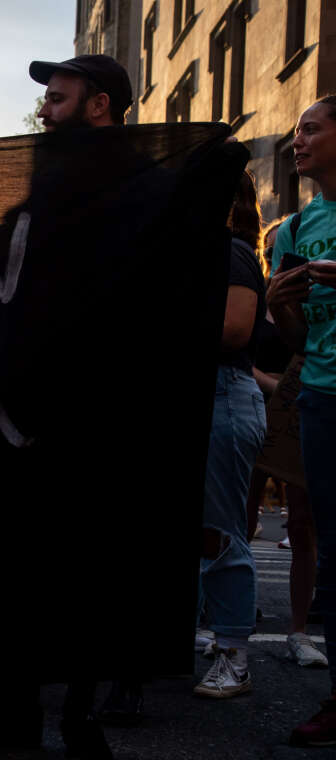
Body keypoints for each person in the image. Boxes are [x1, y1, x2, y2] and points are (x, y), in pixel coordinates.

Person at [0, 54, 135, 759]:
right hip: (22, 406)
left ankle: (81, 717)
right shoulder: (43, 179)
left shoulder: (140, 184)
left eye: (57, 99)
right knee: (18, 559)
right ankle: (17, 711)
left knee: (84, 565)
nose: (45, 110)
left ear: (99, 106)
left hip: (96, 410)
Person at [268, 95, 336, 746]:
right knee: (333, 551)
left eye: (311, 128)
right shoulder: (292, 230)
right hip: (318, 397)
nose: (298, 141)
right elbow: (291, 336)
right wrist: (276, 301)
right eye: (295, 132)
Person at [191, 169, 266, 698]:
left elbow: (236, 329)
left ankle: (235, 656)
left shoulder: (231, 251)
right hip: (205, 397)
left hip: (223, 393)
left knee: (220, 530)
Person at [244, 218, 327, 670]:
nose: (284, 258)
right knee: (243, 517)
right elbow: (240, 358)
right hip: (261, 413)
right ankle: (235, 616)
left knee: (302, 522)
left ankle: (298, 629)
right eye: (276, 250)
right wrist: (273, 387)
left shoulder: (313, 305)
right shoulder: (255, 299)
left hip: (293, 419)